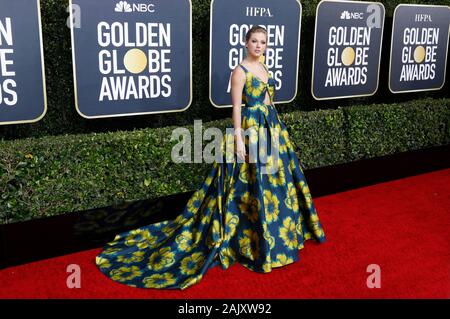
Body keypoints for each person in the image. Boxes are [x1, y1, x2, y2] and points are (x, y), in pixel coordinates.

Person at [95, 25, 326, 289]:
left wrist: (278, 128)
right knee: (246, 187)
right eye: (254, 41)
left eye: (263, 42)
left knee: (274, 184)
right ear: (245, 42)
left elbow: (269, 101)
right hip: (249, 129)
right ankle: (250, 239)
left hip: (270, 129)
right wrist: (239, 138)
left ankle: (276, 236)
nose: (259, 46)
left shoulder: (264, 68)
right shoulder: (240, 72)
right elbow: (236, 108)